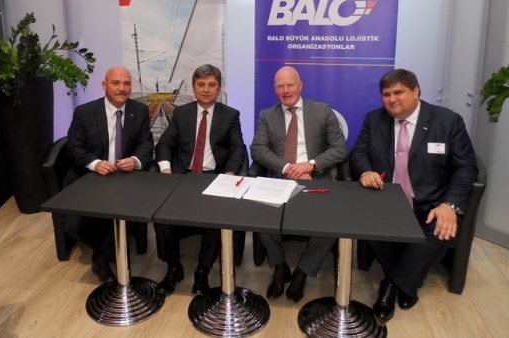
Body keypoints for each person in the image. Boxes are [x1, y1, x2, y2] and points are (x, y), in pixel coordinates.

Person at [349, 68, 477, 322]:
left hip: (433, 204)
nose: (391, 99)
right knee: (368, 222)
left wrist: (450, 205)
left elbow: (466, 167)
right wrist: (365, 172)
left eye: (398, 92)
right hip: (388, 200)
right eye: (386, 94)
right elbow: (358, 153)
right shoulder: (374, 119)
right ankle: (408, 282)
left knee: (440, 230)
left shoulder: (447, 120)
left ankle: (391, 285)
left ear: (416, 91)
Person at [250, 66, 348, 303]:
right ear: (275, 90)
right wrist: (287, 168)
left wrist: (310, 165)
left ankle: (303, 271)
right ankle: (280, 267)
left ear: (300, 86)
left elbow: (340, 149)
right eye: (280, 86)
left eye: (290, 85)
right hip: (280, 177)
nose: (285, 90)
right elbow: (258, 149)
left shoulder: (323, 111)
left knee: (332, 218)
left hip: (315, 178)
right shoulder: (267, 115)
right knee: (260, 212)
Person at [154, 64, 246, 295]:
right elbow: (165, 143)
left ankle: (203, 271)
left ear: (219, 88)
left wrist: (229, 173)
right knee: (162, 214)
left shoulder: (230, 115)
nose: (206, 90)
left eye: (211, 85)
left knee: (217, 215)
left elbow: (238, 148)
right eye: (201, 84)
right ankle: (174, 268)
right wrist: (166, 171)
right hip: (182, 176)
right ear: (194, 88)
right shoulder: (181, 113)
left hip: (214, 177)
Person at [63, 66, 154, 284]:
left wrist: (136, 160)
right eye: (116, 83)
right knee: (73, 226)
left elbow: (146, 144)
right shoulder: (84, 112)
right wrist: (95, 164)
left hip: (126, 179)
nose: (122, 88)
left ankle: (102, 258)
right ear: (104, 85)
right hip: (90, 177)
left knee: (124, 214)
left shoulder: (140, 111)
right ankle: (111, 246)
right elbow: (73, 147)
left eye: (126, 84)